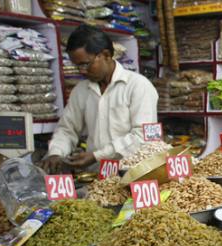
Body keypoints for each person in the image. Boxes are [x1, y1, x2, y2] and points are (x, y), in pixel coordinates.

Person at [40, 25, 158, 173]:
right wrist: (56, 152)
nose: (82, 71)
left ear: (106, 55)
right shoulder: (81, 90)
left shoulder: (139, 86)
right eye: (77, 66)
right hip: (96, 176)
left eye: (85, 64)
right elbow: (67, 129)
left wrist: (97, 156)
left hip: (133, 174)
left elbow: (144, 138)